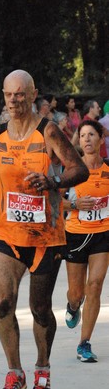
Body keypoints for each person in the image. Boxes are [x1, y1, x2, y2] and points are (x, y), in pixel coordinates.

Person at [0, 69, 88, 389]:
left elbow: (79, 169)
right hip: (8, 232)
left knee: (39, 308)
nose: (14, 101)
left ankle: (42, 368)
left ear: (32, 95)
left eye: (20, 95)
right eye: (9, 94)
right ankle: (14, 373)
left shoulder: (48, 131)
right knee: (3, 303)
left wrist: (53, 183)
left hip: (46, 236)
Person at [62, 120, 109, 363]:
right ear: (78, 141)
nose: (87, 139)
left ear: (101, 139)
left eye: (92, 134)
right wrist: (74, 205)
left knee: (96, 286)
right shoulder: (72, 171)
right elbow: (52, 202)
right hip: (76, 234)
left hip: (103, 234)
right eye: (83, 135)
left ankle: (84, 343)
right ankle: (72, 306)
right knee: (76, 293)